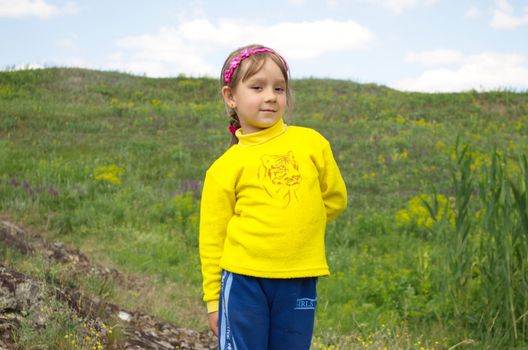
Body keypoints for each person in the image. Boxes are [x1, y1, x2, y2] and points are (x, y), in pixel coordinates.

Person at [199, 44, 347, 350]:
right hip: (243, 281)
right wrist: (214, 300)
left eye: (279, 88)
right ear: (231, 97)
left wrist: (297, 223)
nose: (270, 96)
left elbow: (334, 198)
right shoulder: (224, 167)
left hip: (299, 277)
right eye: (257, 87)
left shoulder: (311, 143)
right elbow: (212, 239)